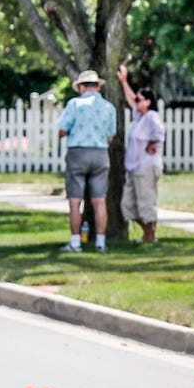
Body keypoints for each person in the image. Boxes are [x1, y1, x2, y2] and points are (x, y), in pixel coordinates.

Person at [57, 70, 117, 252]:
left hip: (78, 152)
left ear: (82, 87)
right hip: (100, 153)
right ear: (98, 87)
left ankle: (75, 242)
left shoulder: (75, 104)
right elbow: (111, 136)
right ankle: (100, 242)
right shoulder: (109, 107)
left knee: (75, 201)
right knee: (99, 200)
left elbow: (62, 130)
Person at [118, 64, 166, 244]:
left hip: (146, 166)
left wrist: (153, 143)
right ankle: (147, 233)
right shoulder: (140, 117)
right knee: (127, 205)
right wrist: (124, 81)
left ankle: (150, 236)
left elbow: (161, 132)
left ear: (148, 102)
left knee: (146, 203)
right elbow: (131, 98)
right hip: (133, 168)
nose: (136, 102)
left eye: (140, 100)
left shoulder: (151, 116)